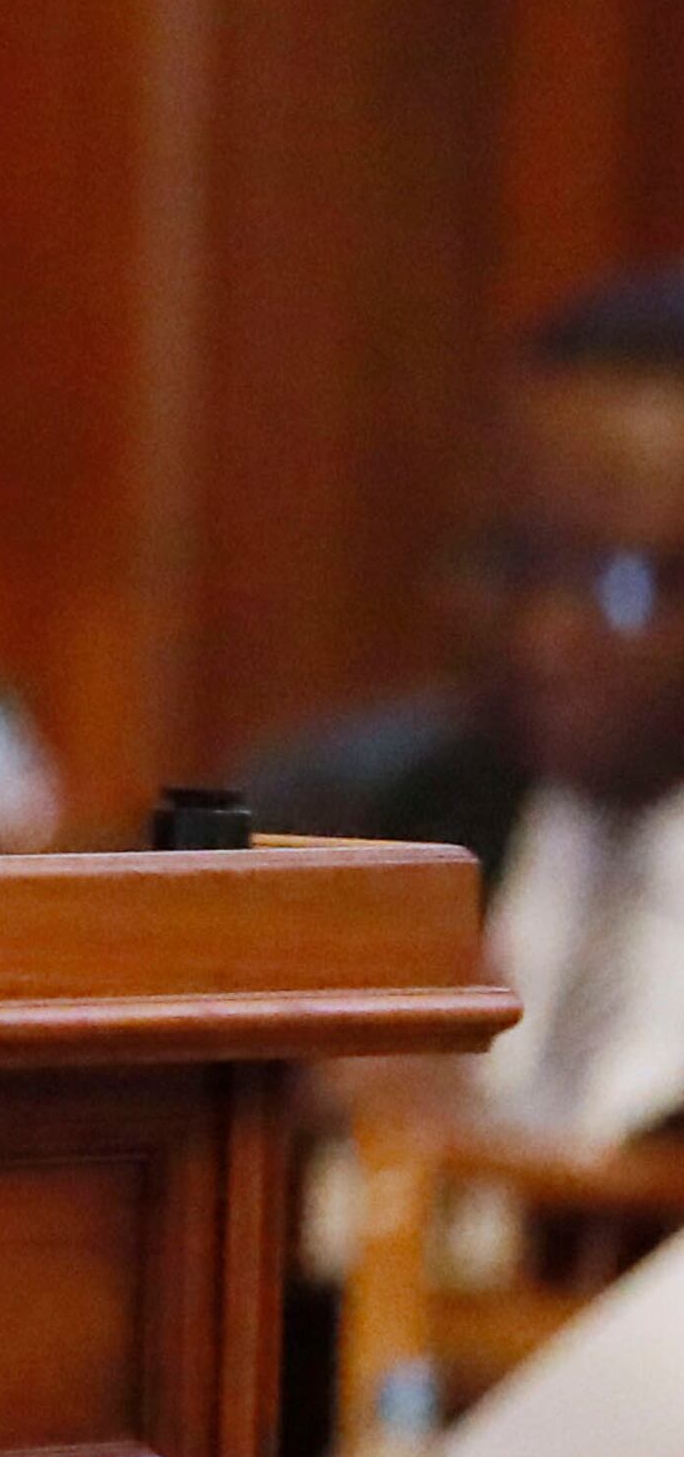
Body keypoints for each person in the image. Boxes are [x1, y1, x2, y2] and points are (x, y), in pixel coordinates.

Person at [249, 266, 684, 1152]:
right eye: (515, 563)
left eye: (619, 584)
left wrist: (478, 1156)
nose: (543, 636)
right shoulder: (358, 820)